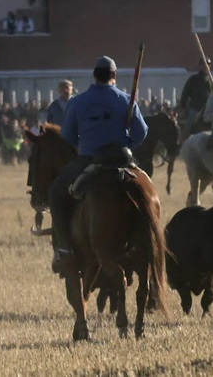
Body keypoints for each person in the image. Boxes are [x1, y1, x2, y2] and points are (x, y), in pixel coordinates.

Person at [49, 56, 148, 271]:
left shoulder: (77, 101)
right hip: (122, 158)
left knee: (56, 193)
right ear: (113, 76)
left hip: (88, 159)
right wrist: (127, 143)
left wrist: (84, 145)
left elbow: (67, 135)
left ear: (94, 75)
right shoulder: (125, 100)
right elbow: (141, 132)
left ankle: (64, 249)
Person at [178, 58, 212, 133]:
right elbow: (185, 94)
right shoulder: (193, 80)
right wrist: (184, 106)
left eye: (207, 64)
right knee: (189, 128)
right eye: (203, 64)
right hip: (196, 109)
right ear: (199, 66)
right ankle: (183, 140)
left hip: (209, 110)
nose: (205, 66)